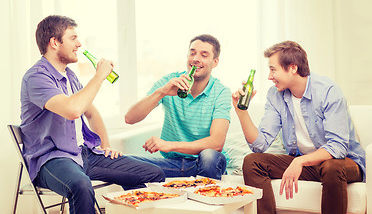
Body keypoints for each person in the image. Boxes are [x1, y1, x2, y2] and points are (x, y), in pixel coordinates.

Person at [20, 15, 165, 214]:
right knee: (81, 185)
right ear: (54, 42)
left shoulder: (69, 76)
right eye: (73, 38)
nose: (79, 44)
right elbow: (72, 110)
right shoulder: (36, 77)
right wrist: (99, 76)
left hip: (85, 154)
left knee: (151, 174)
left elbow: (91, 113)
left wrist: (105, 145)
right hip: (51, 159)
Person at [232, 41, 365, 214]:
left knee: (331, 167)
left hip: (343, 163)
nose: (269, 76)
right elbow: (260, 144)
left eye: (273, 69)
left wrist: (300, 161)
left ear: (293, 68)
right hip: (306, 163)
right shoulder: (275, 95)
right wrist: (241, 111)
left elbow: (338, 147)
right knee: (252, 161)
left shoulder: (328, 91)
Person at [125, 34, 231, 180]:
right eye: (192, 53)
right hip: (173, 164)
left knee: (209, 156)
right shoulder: (170, 81)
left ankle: (203, 195)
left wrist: (169, 145)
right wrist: (162, 92)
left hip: (205, 163)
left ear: (215, 62)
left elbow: (216, 143)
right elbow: (130, 118)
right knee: (124, 164)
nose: (195, 59)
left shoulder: (221, 92)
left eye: (204, 55)